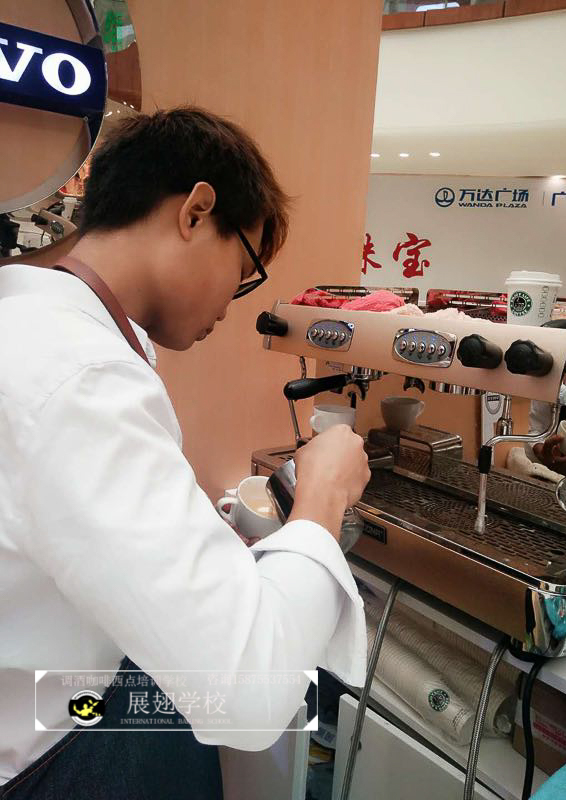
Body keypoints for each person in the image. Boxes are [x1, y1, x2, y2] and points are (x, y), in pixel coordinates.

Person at [0, 108, 371, 799]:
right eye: (245, 268)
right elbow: (247, 692)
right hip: (44, 755)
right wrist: (323, 494)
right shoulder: (79, 374)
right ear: (196, 212)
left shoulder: (32, 316)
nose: (233, 300)